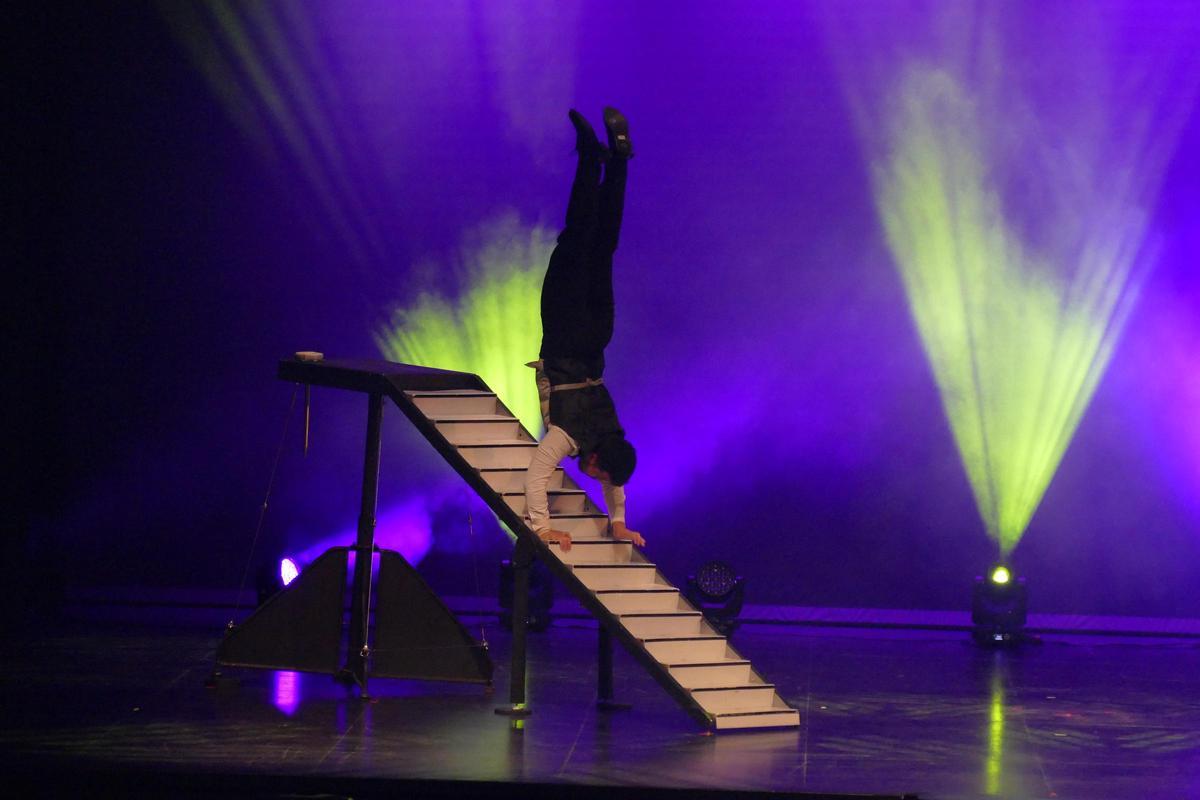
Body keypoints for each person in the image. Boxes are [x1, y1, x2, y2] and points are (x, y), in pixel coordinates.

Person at [524, 107, 643, 553]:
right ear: (593, 462)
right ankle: (591, 157)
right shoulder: (571, 436)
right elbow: (536, 474)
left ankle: (618, 162)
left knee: (603, 246)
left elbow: (617, 480)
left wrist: (618, 522)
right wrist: (541, 528)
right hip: (567, 332)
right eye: (598, 473)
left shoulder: (612, 430)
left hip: (599, 334)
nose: (595, 479)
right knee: (577, 237)